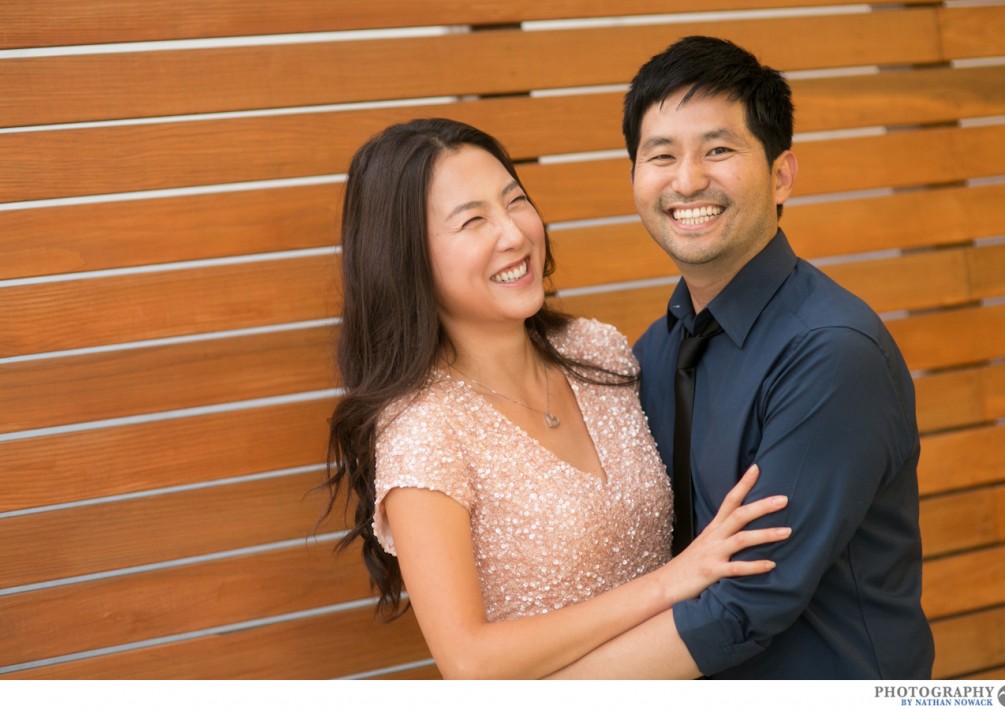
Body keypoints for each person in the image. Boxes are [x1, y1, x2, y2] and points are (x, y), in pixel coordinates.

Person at [323, 117, 793, 679]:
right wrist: (669, 583)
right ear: (407, 258)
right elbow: (470, 662)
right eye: (473, 221)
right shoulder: (422, 430)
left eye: (514, 201)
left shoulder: (599, 351)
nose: (514, 234)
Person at [560, 35, 932, 679]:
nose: (688, 180)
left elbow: (745, 605)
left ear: (781, 174)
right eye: (662, 156)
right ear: (634, 181)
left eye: (719, 150)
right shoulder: (657, 347)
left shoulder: (831, 353)